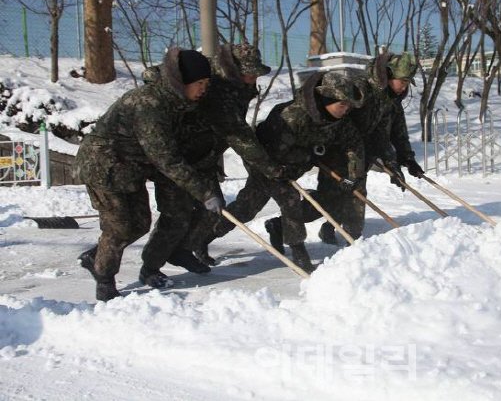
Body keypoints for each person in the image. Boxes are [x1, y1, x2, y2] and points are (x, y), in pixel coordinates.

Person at [75, 48, 223, 301]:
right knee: (119, 226)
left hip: (130, 168)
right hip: (104, 166)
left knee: (140, 224)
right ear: (183, 81)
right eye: (199, 83)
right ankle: (105, 281)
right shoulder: (150, 104)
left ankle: (97, 256)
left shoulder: (173, 101)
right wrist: (204, 191)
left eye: (206, 83)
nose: (203, 89)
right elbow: (165, 157)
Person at [182, 71, 366, 273]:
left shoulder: (338, 121)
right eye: (342, 105)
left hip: (289, 168)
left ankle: (203, 238)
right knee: (290, 200)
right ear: (325, 100)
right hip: (265, 164)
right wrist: (300, 159)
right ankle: (299, 253)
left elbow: (354, 145)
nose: (346, 110)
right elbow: (269, 152)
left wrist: (353, 175)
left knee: (246, 207)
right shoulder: (293, 116)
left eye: (349, 106)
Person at [140, 43, 287, 273]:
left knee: (213, 209)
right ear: (234, 68)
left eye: (254, 73)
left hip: (206, 154)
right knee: (176, 215)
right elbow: (237, 133)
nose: (252, 78)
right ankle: (150, 267)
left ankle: (185, 250)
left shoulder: (238, 84)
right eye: (249, 72)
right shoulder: (213, 82)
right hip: (181, 156)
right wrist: (270, 167)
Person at [272, 51, 424, 245]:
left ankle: (351, 242)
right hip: (336, 152)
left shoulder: (390, 98)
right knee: (329, 199)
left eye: (407, 82)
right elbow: (335, 119)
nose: (404, 87)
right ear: (388, 74)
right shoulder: (362, 89)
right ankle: (281, 225)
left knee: (353, 200)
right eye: (402, 81)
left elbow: (391, 132)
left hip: (359, 153)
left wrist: (402, 159)